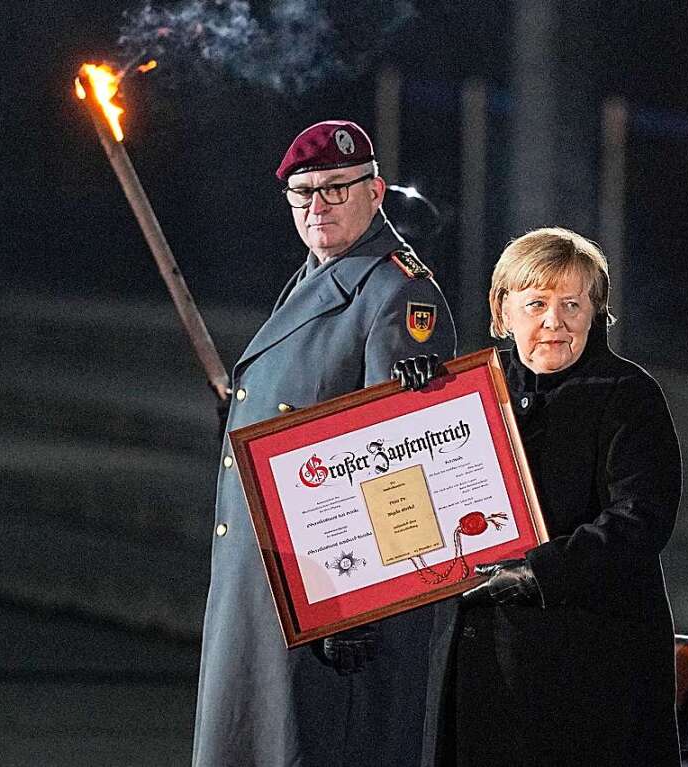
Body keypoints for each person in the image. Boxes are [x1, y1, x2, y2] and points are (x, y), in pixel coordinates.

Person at [192, 120, 457, 765]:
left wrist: (359, 608)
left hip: (329, 596)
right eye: (303, 193)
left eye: (337, 189)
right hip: (273, 583)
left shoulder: (397, 294)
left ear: (376, 191)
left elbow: (399, 468)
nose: (318, 206)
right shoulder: (320, 275)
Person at [419, 227, 684, 766]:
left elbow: (641, 519)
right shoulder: (469, 392)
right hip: (487, 662)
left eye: (571, 304)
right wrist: (407, 402)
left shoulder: (629, 395)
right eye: (536, 303)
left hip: (590, 670)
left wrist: (542, 571)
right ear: (503, 313)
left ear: (596, 312)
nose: (553, 322)